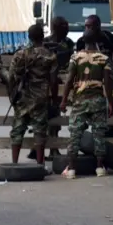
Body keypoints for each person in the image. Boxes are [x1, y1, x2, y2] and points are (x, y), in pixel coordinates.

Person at [61, 29, 113, 179]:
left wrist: (64, 100)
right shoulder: (103, 58)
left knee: (75, 134)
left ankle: (71, 169)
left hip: (80, 101)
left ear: (83, 41)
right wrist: (110, 102)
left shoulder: (75, 58)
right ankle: (99, 167)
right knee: (99, 134)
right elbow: (108, 82)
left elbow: (69, 80)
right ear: (97, 41)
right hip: (97, 100)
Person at [8, 24, 58, 171]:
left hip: (22, 97)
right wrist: (54, 98)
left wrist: (12, 95)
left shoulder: (20, 55)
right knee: (40, 131)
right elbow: (53, 80)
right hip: (40, 99)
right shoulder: (50, 56)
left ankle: (14, 163)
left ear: (29, 37)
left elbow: (11, 77)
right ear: (42, 36)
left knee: (17, 130)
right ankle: (40, 164)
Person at [27, 16, 75, 161]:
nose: (67, 28)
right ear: (56, 27)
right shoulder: (45, 42)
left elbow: (71, 61)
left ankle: (52, 149)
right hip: (45, 83)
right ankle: (38, 149)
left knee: (55, 115)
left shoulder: (68, 43)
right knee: (44, 117)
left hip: (61, 80)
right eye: (64, 25)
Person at [75, 14, 113, 139]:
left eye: (89, 26)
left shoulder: (109, 38)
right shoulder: (82, 41)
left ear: (98, 26)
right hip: (91, 77)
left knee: (112, 109)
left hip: (108, 74)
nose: (87, 29)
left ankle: (109, 140)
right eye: (85, 26)